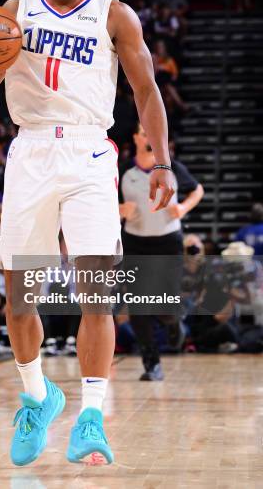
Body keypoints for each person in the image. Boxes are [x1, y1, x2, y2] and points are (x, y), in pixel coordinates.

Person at [0, 0, 175, 466]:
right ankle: (38, 399)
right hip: (31, 150)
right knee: (22, 296)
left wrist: (161, 163)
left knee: (98, 293)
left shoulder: (115, 14)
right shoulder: (13, 11)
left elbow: (146, 90)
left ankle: (91, 416)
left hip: (91, 150)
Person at [119, 122, 204, 379]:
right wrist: (119, 209)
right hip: (134, 241)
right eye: (146, 133)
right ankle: (151, 364)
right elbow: (101, 200)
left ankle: (175, 322)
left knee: (164, 305)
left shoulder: (171, 167)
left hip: (167, 241)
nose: (150, 138)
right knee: (138, 305)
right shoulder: (122, 170)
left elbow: (197, 190)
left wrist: (184, 208)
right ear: (136, 137)